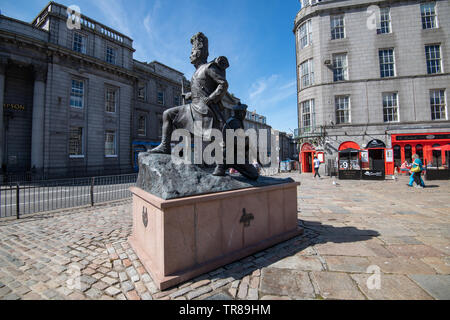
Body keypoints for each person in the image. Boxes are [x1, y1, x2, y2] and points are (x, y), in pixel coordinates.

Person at [149, 32, 229, 177]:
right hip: (193, 107)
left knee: (213, 138)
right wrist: (190, 95)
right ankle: (165, 146)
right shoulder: (195, 73)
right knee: (168, 114)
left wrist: (212, 98)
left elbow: (223, 85)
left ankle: (221, 165)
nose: (190, 55)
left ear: (199, 52)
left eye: (192, 52)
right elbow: (200, 90)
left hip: (205, 109)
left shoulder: (209, 67)